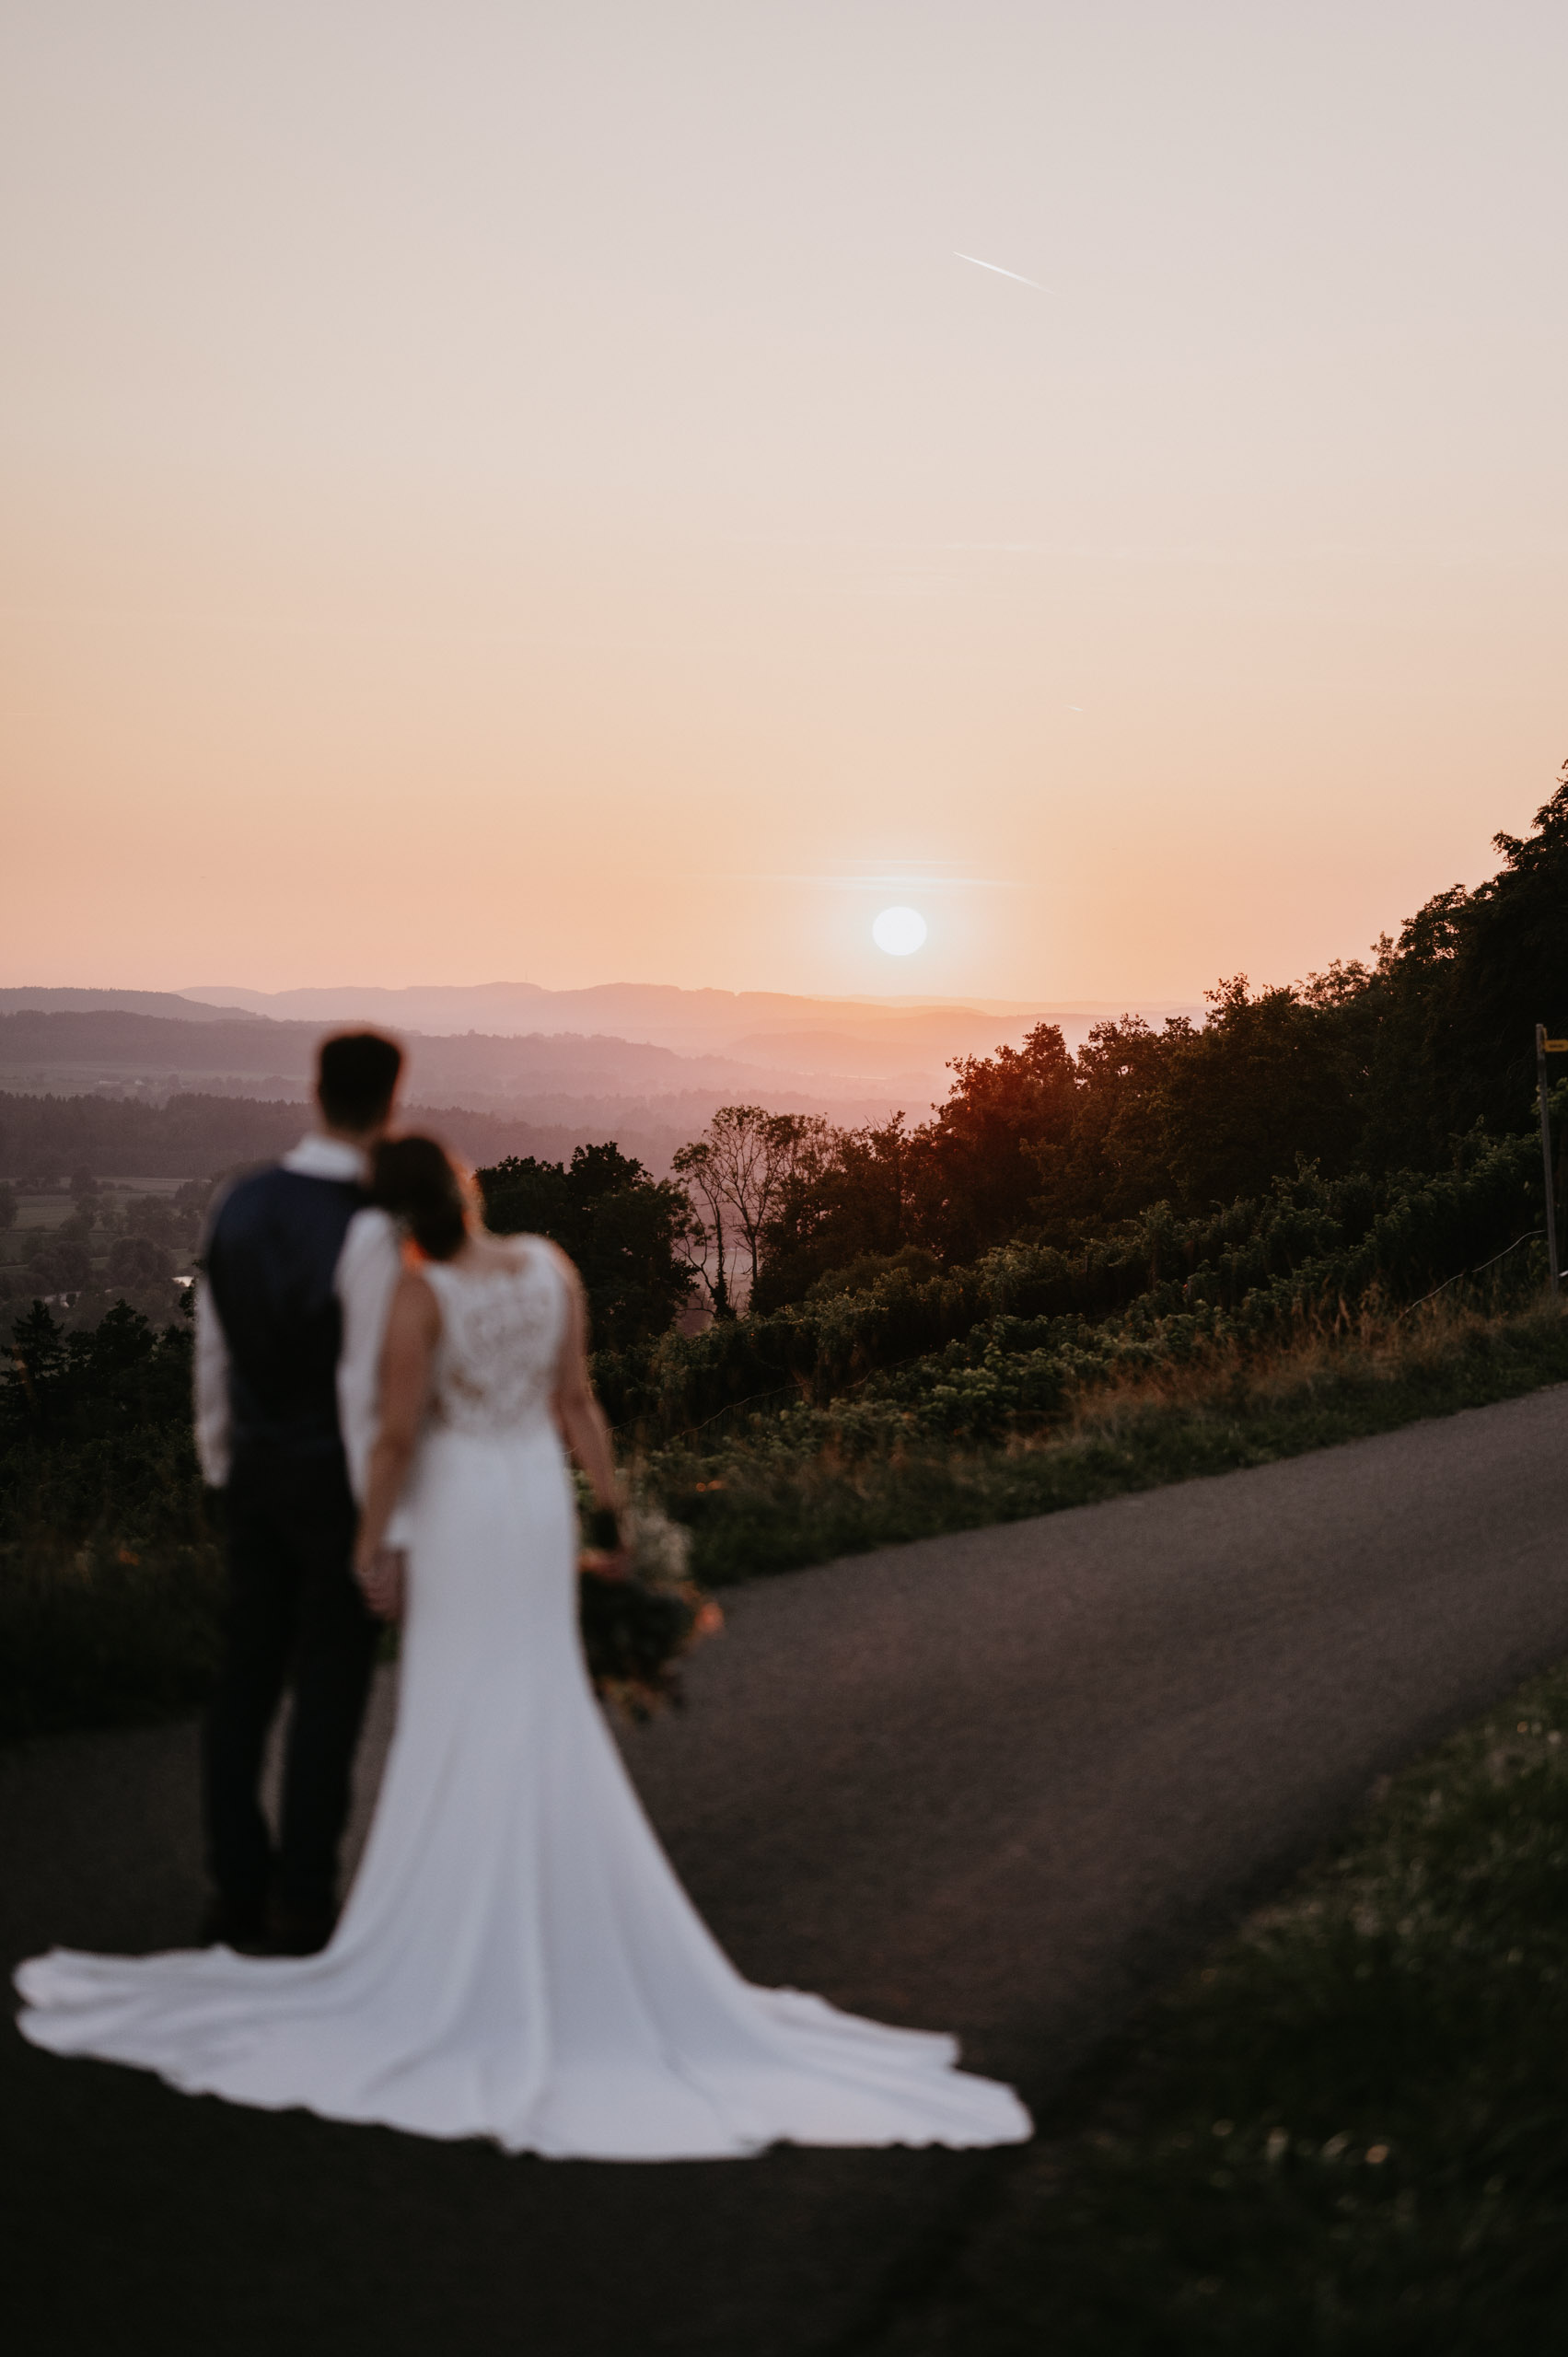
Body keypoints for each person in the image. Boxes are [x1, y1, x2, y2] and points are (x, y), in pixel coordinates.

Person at [16, 1136, 1030, 2161]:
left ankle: (454, 1932)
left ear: (393, 1216)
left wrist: (371, 1546)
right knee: (541, 1698)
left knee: (455, 1707)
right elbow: (578, 1402)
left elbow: (397, 1438)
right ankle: (555, 1917)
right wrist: (616, 1511)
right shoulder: (548, 1266)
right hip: (535, 1502)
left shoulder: (420, 1296)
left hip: (458, 1513)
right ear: (466, 1190)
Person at [192, 1029, 406, 1955]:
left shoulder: (237, 1203)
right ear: (390, 1102)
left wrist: (220, 1463)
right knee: (328, 1690)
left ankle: (237, 1887)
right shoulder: (371, 1222)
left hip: (255, 1477)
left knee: (242, 1680)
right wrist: (379, 1526)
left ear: (315, 1092)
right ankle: (302, 1895)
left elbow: (213, 1354)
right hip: (333, 1486)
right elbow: (363, 1391)